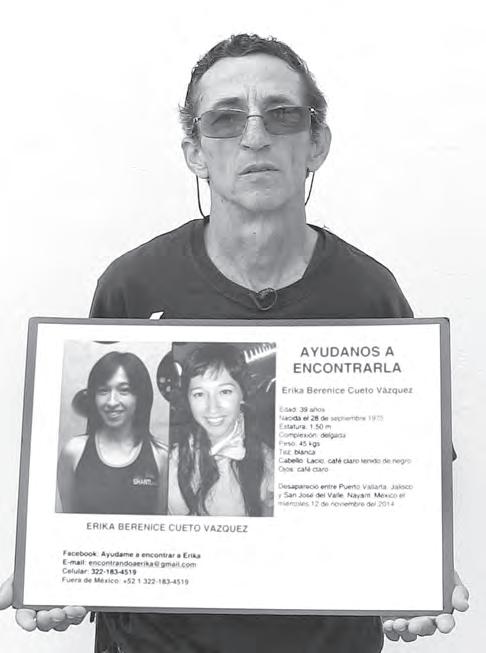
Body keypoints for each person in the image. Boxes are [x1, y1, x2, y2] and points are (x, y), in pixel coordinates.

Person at [0, 32, 469, 652]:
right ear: (194, 152)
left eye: (282, 114)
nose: (255, 137)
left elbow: (413, 473)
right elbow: (101, 491)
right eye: (225, 119)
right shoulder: (134, 285)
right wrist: (62, 567)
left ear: (317, 144)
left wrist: (418, 571)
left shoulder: (369, 291)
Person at [168, 343, 274, 517]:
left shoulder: (269, 463)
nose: (212, 408)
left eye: (225, 392)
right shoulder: (171, 459)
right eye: (199, 394)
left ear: (242, 394)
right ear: (188, 399)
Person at [57, 351, 168, 515]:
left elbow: (160, 526)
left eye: (124, 390)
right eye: (103, 391)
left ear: (140, 396)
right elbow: (67, 521)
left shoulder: (161, 457)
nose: (111, 402)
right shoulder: (73, 452)